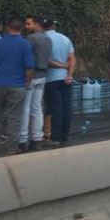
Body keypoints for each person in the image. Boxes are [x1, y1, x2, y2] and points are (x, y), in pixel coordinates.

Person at [0, 17, 34, 155]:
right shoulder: (24, 44)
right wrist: (27, 81)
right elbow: (29, 67)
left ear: (8, 28)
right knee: (15, 116)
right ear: (21, 29)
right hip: (17, 83)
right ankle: (12, 147)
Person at [19, 16, 52, 152]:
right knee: (37, 107)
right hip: (43, 75)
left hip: (31, 76)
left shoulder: (30, 39)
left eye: (28, 24)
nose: (26, 26)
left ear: (37, 24)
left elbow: (24, 57)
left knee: (25, 108)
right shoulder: (47, 39)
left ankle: (22, 139)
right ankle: (37, 138)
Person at [43, 18, 76, 148]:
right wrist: (69, 74)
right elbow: (72, 58)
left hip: (51, 79)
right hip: (65, 79)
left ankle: (55, 136)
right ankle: (64, 136)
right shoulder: (65, 39)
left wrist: (61, 66)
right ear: (54, 25)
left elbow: (46, 61)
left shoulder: (43, 39)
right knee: (66, 108)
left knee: (55, 109)